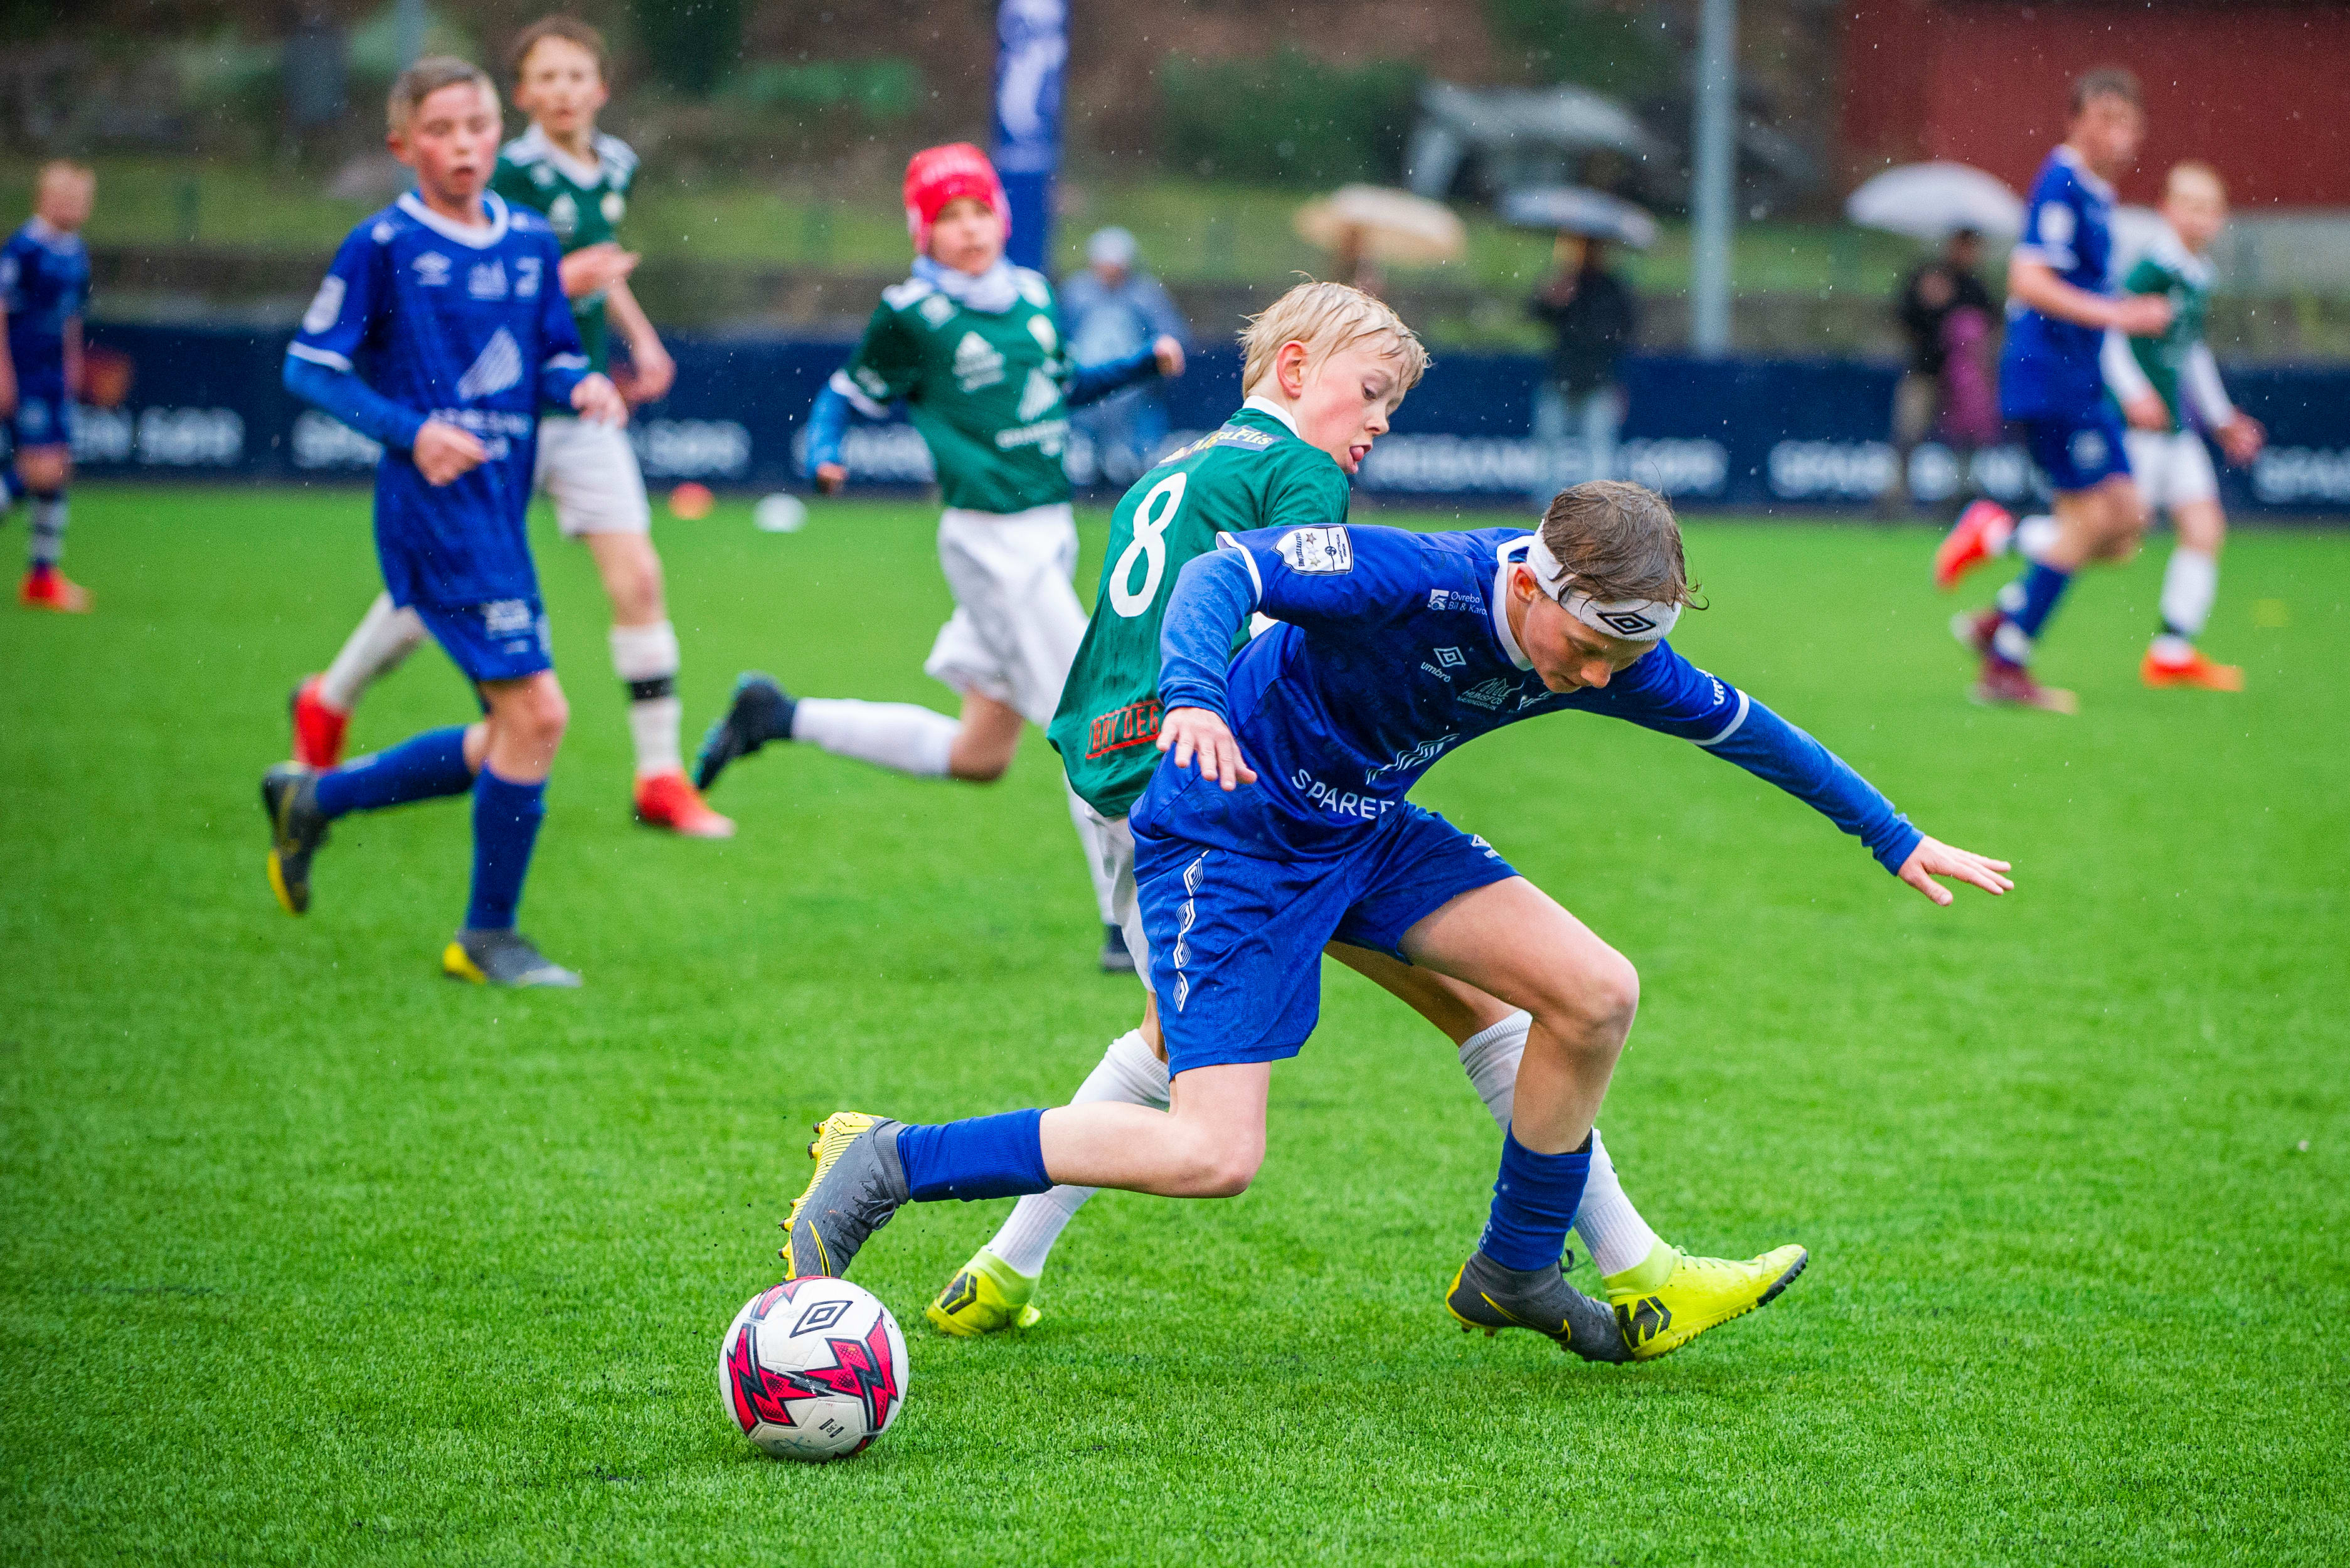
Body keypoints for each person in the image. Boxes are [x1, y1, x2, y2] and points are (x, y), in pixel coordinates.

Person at [770, 477, 2010, 1362]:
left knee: (1596, 992)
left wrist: (1893, 836)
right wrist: (1193, 695)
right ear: (1530, 581)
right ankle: (891, 1159)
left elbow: (1750, 730)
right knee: (1215, 1154)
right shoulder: (1417, 575)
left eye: (1614, 663)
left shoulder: (1609, 652)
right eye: (1583, 649)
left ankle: (1516, 1266)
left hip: (1364, 833)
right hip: (1230, 838)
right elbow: (1223, 572)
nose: (1592, 680)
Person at [925, 283, 1804, 1362]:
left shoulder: (1179, 466)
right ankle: (919, 1180)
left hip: (1122, 760)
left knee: (1278, 1024)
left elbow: (1138, 623)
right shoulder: (1299, 471)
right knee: (1243, 1084)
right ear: (1295, 369)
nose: (1379, 422)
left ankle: (1002, 1268)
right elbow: (1284, 613)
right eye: (1373, 393)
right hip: (1219, 791)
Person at [694, 143, 1184, 973]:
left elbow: (1057, 387)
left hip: (1046, 532)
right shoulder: (911, 314)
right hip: (991, 543)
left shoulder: (1031, 294)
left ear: (1000, 216)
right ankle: (1124, 921)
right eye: (946, 216)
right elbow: (844, 393)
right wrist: (824, 451)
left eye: (978, 210)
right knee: (1095, 719)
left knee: (979, 756)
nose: (967, 229)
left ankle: (775, 716)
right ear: (922, 232)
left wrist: (1140, 365)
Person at [287, 16, 731, 840]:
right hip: (490, 418)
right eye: (547, 77)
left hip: (575, 403)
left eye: (577, 76)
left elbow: (592, 269)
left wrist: (636, 340)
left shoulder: (615, 165)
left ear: (602, 89)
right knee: (435, 602)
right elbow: (506, 280)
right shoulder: (500, 174)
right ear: (522, 95)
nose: (563, 91)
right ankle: (329, 699)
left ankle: (660, 777)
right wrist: (567, 283)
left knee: (638, 581)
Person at [263, 56, 626, 987]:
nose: (463, 145)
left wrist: (581, 383)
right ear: (403, 145)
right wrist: (412, 432)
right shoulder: (382, 244)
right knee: (538, 713)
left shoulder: (530, 239)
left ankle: (315, 801)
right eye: (440, 130)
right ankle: (486, 935)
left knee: (510, 732)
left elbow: (551, 353)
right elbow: (310, 367)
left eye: (477, 127)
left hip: (498, 510)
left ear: (499, 134)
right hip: (431, 513)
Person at [1932, 68, 2172, 712]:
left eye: (2126, 121)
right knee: (2090, 520)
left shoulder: (2096, 193)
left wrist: (2126, 375)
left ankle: (2001, 588)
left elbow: (2089, 300)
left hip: (2081, 382)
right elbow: (2029, 280)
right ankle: (2005, 663)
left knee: (2125, 527)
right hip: (2050, 379)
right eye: (2103, 117)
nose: (2116, 133)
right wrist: (2121, 315)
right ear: (2075, 121)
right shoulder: (2060, 180)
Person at [2102, 162, 2264, 690]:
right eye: (2189, 206)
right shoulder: (2153, 268)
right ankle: (1998, 538)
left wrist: (2221, 419)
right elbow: (2109, 330)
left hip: (2176, 430)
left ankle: (2171, 652)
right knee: (2113, 541)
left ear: (2221, 218)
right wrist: (2133, 391)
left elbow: (2190, 352)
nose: (2199, 218)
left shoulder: (2198, 274)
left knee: (2204, 528)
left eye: (2209, 209)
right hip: (2139, 429)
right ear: (2166, 209)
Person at [0, 161, 96, 612]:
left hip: (54, 377)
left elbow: (71, 315)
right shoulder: (23, 249)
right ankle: (41, 578)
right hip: (24, 373)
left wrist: (73, 364)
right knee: (37, 469)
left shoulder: (76, 251)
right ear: (45, 199)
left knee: (58, 469)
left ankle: (42, 577)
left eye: (82, 199)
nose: (76, 207)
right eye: (67, 198)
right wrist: (3, 372)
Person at [1061, 226, 1191, 488]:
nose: (1110, 270)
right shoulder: (1076, 292)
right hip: (1086, 387)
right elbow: (1061, 336)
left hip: (1133, 392)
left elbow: (1172, 337)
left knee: (1135, 464)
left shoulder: (1146, 295)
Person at [1877, 227, 1993, 519]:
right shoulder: (1928, 277)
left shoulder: (1975, 289)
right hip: (1925, 372)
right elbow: (1904, 318)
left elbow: (1988, 330)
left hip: (1962, 380)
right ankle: (1896, 499)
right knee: (1909, 435)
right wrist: (1928, 302)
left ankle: (1961, 497)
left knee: (1966, 439)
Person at [1528, 234, 1637, 499]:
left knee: (1597, 450)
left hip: (1598, 381)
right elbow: (1536, 313)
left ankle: (1596, 506)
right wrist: (1551, 297)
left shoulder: (1612, 289)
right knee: (1550, 448)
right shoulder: (1565, 282)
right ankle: (1547, 508)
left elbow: (1622, 334)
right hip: (1561, 377)